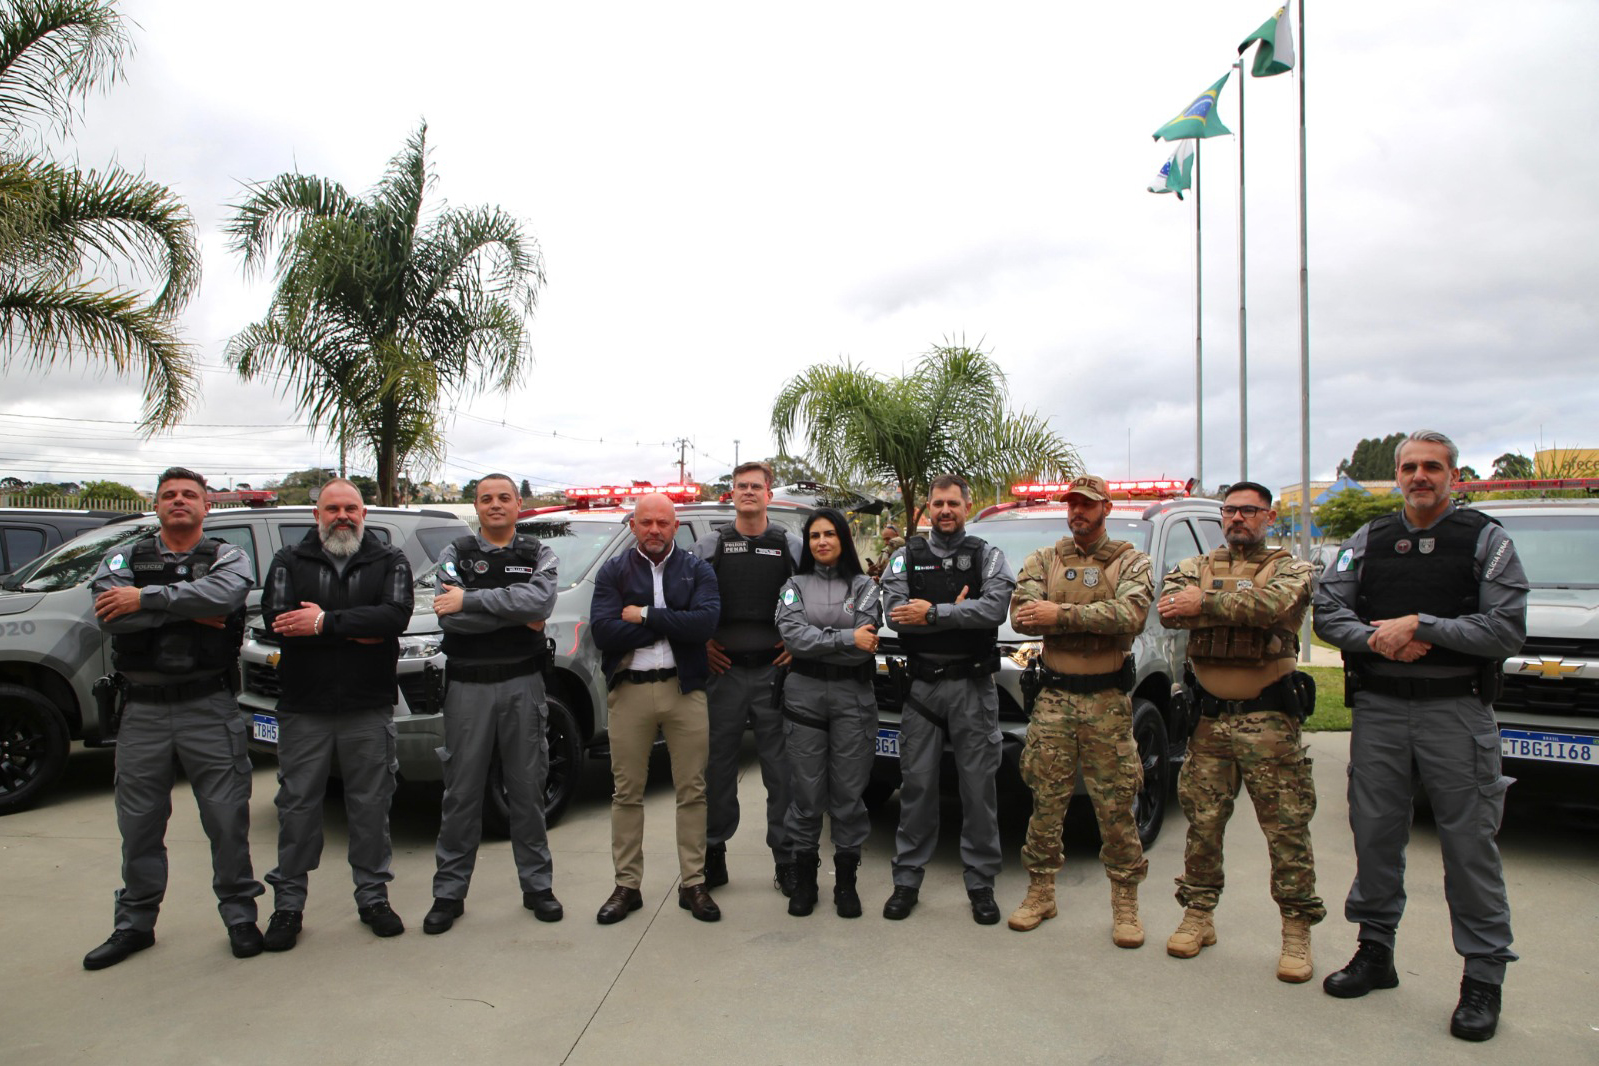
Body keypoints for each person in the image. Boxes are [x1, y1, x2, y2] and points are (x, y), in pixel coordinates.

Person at [1313, 430, 1526, 1042]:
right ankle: (1375, 951)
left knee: (1469, 845)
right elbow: (1328, 611)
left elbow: (1505, 629)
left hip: (1454, 712)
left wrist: (1422, 625)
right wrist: (1380, 639)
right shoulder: (1368, 539)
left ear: (1453, 475)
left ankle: (1482, 978)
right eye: (1409, 467)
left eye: (1432, 466)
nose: (1419, 476)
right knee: (1375, 834)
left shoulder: (1486, 540)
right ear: (1398, 475)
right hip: (1379, 710)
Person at [82, 467, 263, 969]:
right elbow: (108, 614)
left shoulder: (227, 556)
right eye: (169, 495)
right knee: (139, 823)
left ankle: (240, 916)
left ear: (206, 506)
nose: (178, 501)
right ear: (157, 505)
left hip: (209, 707)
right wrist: (185, 609)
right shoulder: (125, 556)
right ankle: (135, 924)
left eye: (189, 495)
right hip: (142, 710)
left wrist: (143, 598)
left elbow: (225, 598)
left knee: (227, 818)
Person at [1157, 480, 1323, 981]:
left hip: (1268, 720)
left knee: (1286, 827)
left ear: (1268, 517)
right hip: (1209, 720)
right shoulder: (1195, 565)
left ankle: (1296, 929)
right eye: (1230, 510)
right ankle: (1198, 914)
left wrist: (1205, 604)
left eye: (1249, 511)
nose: (1237, 519)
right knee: (1203, 825)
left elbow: (1273, 606)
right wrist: (1225, 600)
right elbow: (1169, 607)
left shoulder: (1291, 568)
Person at [259, 479, 414, 950]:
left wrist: (323, 622)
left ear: (364, 514)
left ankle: (373, 898)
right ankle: (288, 905)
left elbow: (395, 618)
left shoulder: (390, 560)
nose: (342, 516)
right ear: (317, 515)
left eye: (351, 508)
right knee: (297, 807)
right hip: (304, 705)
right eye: (332, 509)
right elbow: (278, 620)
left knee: (370, 805)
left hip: (368, 705)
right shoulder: (289, 560)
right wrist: (359, 627)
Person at [1006, 474, 1153, 946]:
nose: (1078, 512)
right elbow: (1021, 615)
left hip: (1107, 700)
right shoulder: (1045, 559)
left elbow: (1131, 614)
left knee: (1116, 805)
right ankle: (1040, 892)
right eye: (1072, 504)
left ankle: (1125, 905)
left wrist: (1060, 615)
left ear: (1106, 507)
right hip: (1054, 698)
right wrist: (1086, 618)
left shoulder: (1130, 560)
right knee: (1045, 802)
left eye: (1087, 505)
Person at [423, 474, 562, 934]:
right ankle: (449, 893)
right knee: (461, 794)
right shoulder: (455, 553)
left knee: (527, 788)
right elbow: (450, 618)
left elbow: (540, 602)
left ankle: (537, 886)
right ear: (477, 506)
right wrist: (515, 615)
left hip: (523, 686)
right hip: (468, 688)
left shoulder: (538, 553)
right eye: (486, 499)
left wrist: (471, 600)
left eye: (504, 497)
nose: (495, 505)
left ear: (519, 504)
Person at [880, 474, 1017, 923]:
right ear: (928, 506)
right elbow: (896, 616)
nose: (944, 511)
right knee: (917, 786)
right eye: (938, 503)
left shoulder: (986, 555)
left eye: (952, 503)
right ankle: (907, 880)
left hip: (973, 688)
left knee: (978, 790)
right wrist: (961, 612)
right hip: (922, 688)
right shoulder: (905, 557)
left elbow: (994, 610)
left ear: (966, 506)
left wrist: (935, 612)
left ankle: (981, 884)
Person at [591, 493, 723, 923]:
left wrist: (645, 615)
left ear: (675, 526)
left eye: (663, 523)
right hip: (630, 691)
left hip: (684, 691)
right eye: (646, 522)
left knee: (693, 790)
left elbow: (705, 624)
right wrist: (673, 622)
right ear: (633, 525)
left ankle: (693, 883)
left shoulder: (697, 570)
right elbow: (604, 632)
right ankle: (627, 886)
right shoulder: (613, 571)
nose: (654, 530)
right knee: (626, 792)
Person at [690, 461, 803, 894]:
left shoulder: (790, 545)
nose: (749, 492)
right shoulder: (710, 545)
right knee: (717, 768)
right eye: (742, 486)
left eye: (757, 486)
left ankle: (786, 859)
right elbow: (686, 600)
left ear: (769, 494)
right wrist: (701, 641)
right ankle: (713, 852)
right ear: (732, 494)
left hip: (776, 674)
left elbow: (813, 595)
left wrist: (798, 643)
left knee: (782, 771)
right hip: (725, 674)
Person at [773, 508, 883, 917]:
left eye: (830, 534)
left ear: (843, 539)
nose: (822, 541)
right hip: (804, 698)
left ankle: (846, 884)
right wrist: (845, 637)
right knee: (805, 795)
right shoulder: (794, 586)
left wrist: (826, 640)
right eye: (815, 535)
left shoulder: (865, 587)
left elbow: (865, 647)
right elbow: (793, 639)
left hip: (853, 700)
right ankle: (805, 882)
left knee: (848, 795)